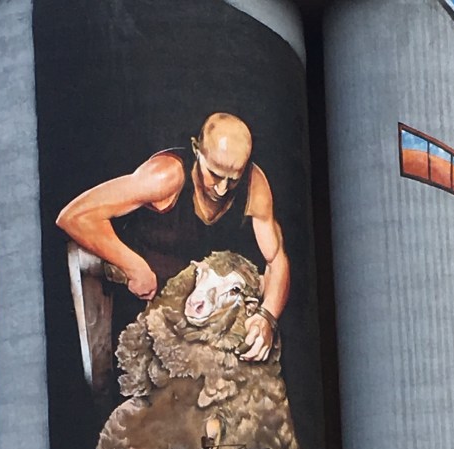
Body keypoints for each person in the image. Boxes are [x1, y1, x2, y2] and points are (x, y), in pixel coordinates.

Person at [56, 112, 290, 362]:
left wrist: (268, 317)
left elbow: (276, 260)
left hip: (200, 307)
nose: (222, 189)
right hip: (140, 302)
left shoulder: (254, 184)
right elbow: (73, 217)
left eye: (232, 179)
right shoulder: (166, 176)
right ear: (196, 150)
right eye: (215, 174)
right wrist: (134, 266)